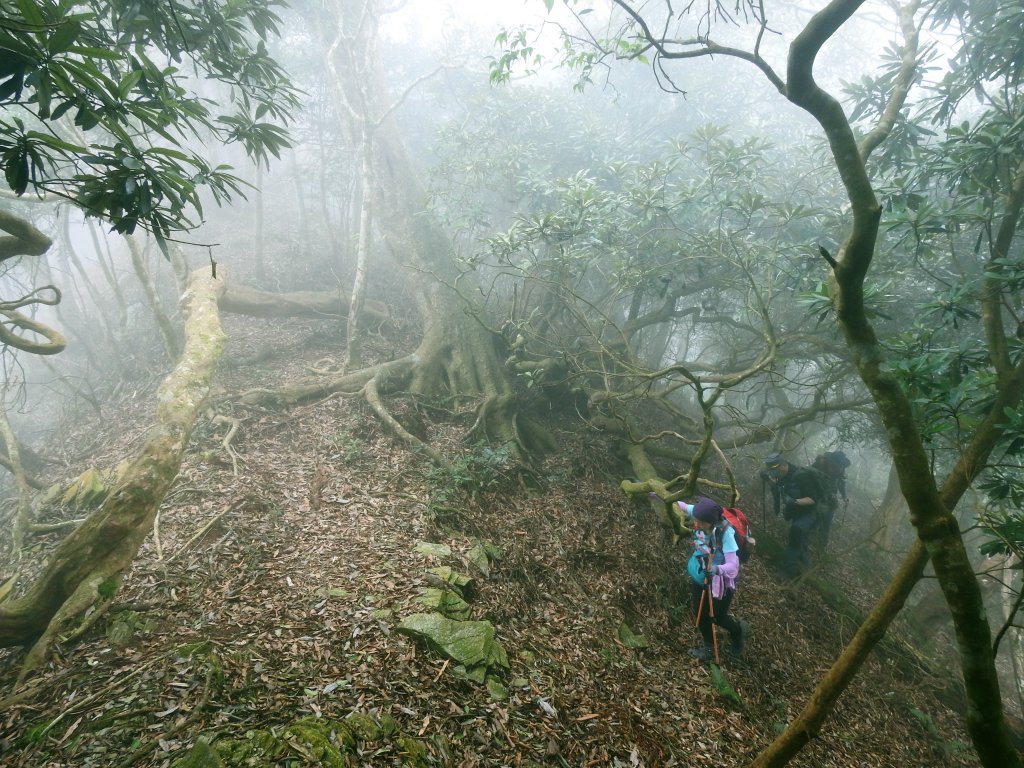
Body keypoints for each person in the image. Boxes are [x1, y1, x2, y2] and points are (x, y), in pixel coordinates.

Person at [680, 496, 748, 661]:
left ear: (711, 521)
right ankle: (708, 648)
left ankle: (737, 631)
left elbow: (733, 565)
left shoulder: (726, 534)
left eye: (702, 523)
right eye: (696, 520)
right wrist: (651, 492)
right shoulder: (700, 515)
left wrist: (717, 569)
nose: (698, 525)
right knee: (699, 612)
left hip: (720, 582)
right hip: (700, 575)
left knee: (717, 616)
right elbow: (680, 504)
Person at [763, 453, 825, 580]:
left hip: (811, 513)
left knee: (796, 533)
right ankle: (805, 571)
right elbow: (778, 488)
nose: (776, 474)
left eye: (777, 471)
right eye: (773, 472)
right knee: (801, 541)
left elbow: (813, 499)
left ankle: (788, 572)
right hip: (798, 513)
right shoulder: (782, 475)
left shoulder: (802, 476)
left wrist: (794, 501)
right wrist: (768, 480)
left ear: (785, 465)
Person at [811, 450, 851, 552]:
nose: (836, 468)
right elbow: (808, 474)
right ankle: (807, 540)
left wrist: (844, 497)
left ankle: (822, 547)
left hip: (830, 498)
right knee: (813, 518)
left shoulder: (840, 469)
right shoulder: (820, 464)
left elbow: (841, 483)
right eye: (835, 465)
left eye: (839, 466)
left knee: (826, 522)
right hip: (815, 494)